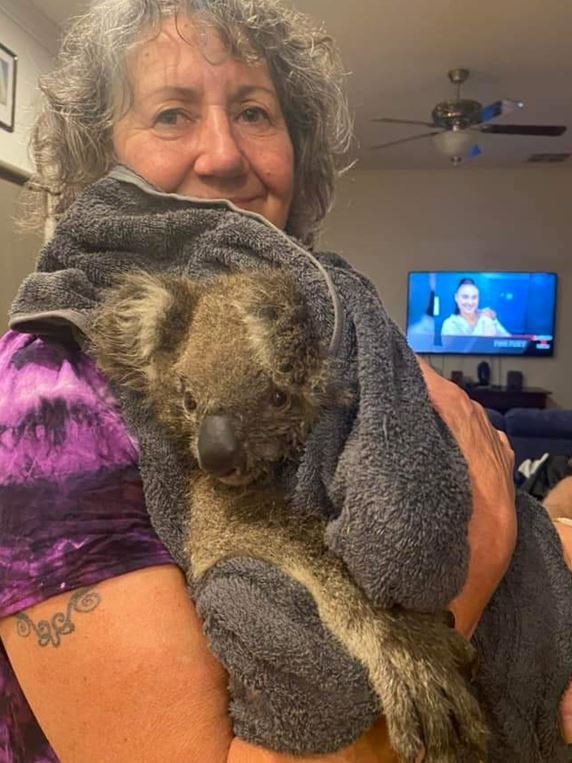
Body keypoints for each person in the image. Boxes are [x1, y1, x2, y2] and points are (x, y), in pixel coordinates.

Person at [0, 1, 568, 761]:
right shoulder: (48, 401)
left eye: (255, 113)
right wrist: (474, 568)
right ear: (98, 154)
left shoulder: (333, 318)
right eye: (171, 114)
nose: (224, 154)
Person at [441, 277, 511, 338]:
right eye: (465, 297)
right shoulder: (450, 324)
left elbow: (509, 342)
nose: (470, 302)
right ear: (456, 298)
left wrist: (490, 320)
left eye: (474, 297)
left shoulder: (487, 314)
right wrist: (484, 321)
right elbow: (464, 351)